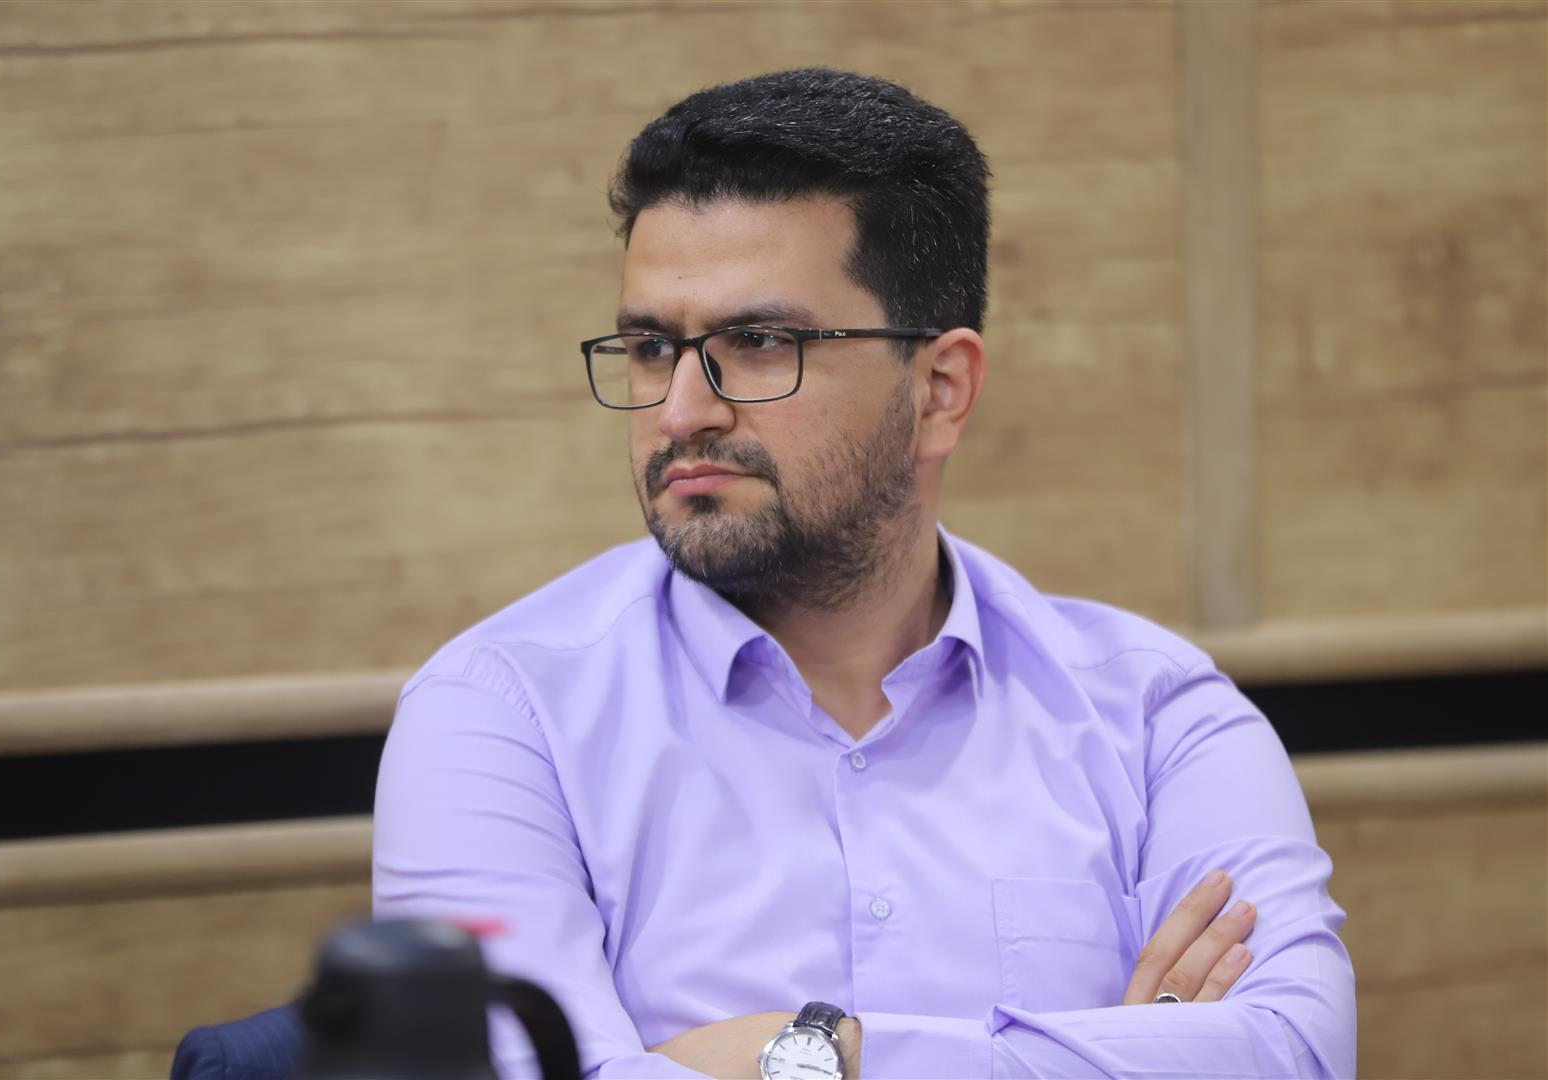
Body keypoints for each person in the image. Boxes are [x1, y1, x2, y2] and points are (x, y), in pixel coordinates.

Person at [372, 68, 1354, 1079]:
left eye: (760, 342)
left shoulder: (1152, 716)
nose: (681, 412)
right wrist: (1120, 1055)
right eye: (652, 347)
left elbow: (1294, 1054)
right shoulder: (501, 717)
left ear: (941, 389)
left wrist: (810, 1056)